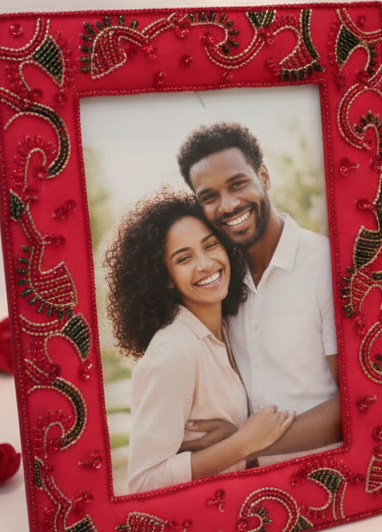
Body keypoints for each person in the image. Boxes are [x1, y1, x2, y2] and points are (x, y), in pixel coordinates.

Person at [104, 190, 296, 494]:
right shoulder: (173, 352)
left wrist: (234, 436)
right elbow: (144, 481)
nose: (206, 264)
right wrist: (243, 443)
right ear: (165, 277)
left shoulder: (232, 325)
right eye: (184, 258)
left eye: (210, 245)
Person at [176, 122, 342, 461]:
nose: (227, 205)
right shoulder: (219, 281)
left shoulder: (325, 264)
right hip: (248, 485)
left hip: (327, 474)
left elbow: (355, 405)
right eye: (209, 197)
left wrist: (241, 445)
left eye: (238, 184)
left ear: (264, 177)